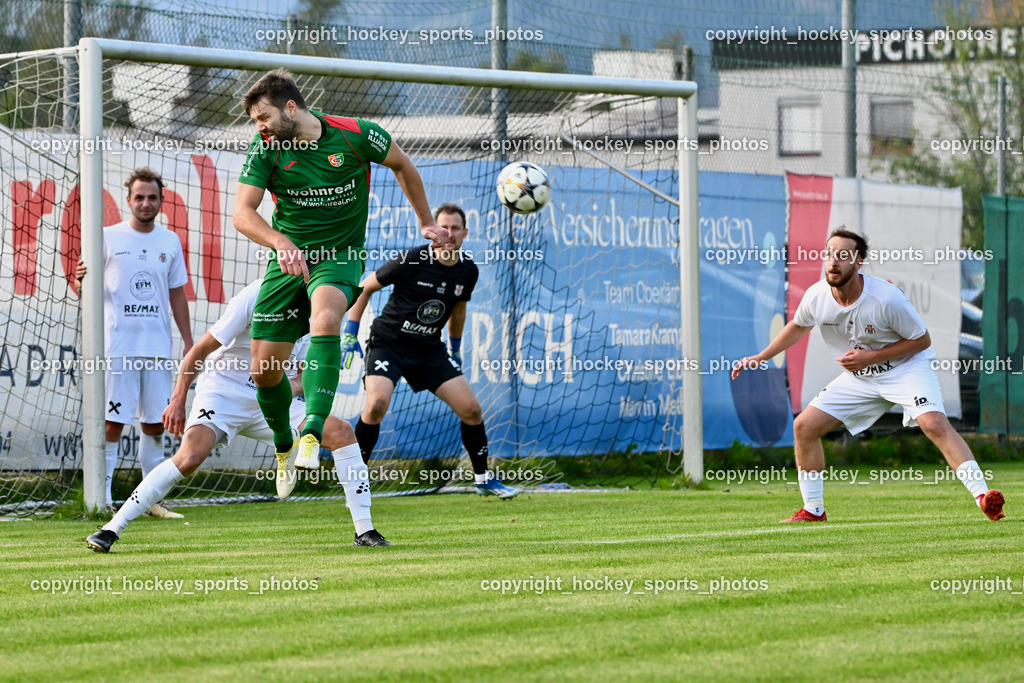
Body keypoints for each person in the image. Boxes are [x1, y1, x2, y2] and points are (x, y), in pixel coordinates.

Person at [232, 69, 445, 480]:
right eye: (256, 121)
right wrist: (279, 242)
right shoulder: (264, 148)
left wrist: (425, 221)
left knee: (326, 318)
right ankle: (283, 442)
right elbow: (242, 213)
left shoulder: (356, 134)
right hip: (288, 259)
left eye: (264, 117)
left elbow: (402, 164)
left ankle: (312, 429)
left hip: (339, 256)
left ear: (291, 107)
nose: (260, 127)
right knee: (263, 373)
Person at [86, 279, 389, 553]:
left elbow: (303, 379)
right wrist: (178, 398)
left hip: (274, 396)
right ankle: (111, 528)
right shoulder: (258, 294)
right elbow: (199, 351)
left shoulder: (324, 311)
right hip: (224, 390)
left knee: (342, 432)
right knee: (190, 456)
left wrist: (279, 385)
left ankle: (365, 531)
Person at [732, 227, 1005, 522]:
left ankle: (983, 496)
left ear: (858, 262)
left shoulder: (886, 298)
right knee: (804, 428)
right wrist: (761, 357)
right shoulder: (817, 296)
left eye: (843, 256)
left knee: (934, 424)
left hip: (907, 368)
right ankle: (813, 510)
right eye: (829, 254)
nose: (834, 262)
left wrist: (870, 357)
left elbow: (922, 340)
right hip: (862, 377)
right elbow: (798, 325)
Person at [342, 203, 518, 499]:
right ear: (433, 232)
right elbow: (365, 287)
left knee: (472, 410)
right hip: (388, 344)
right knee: (376, 405)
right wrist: (350, 330)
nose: (449, 234)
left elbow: (459, 309)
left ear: (465, 233)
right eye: (444, 228)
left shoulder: (468, 271)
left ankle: (484, 479)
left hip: (428, 350)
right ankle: (354, 481)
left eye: (456, 228)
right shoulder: (411, 260)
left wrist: (456, 349)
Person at [75, 167, 193, 519]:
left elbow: (177, 294)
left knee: (155, 424)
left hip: (157, 348)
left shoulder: (169, 241)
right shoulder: (106, 236)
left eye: (152, 197)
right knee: (112, 423)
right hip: (118, 349)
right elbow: (86, 287)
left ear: (160, 200)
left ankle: (150, 500)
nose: (145, 203)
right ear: (128, 200)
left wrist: (188, 341)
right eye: (139, 197)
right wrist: (81, 281)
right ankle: (102, 499)